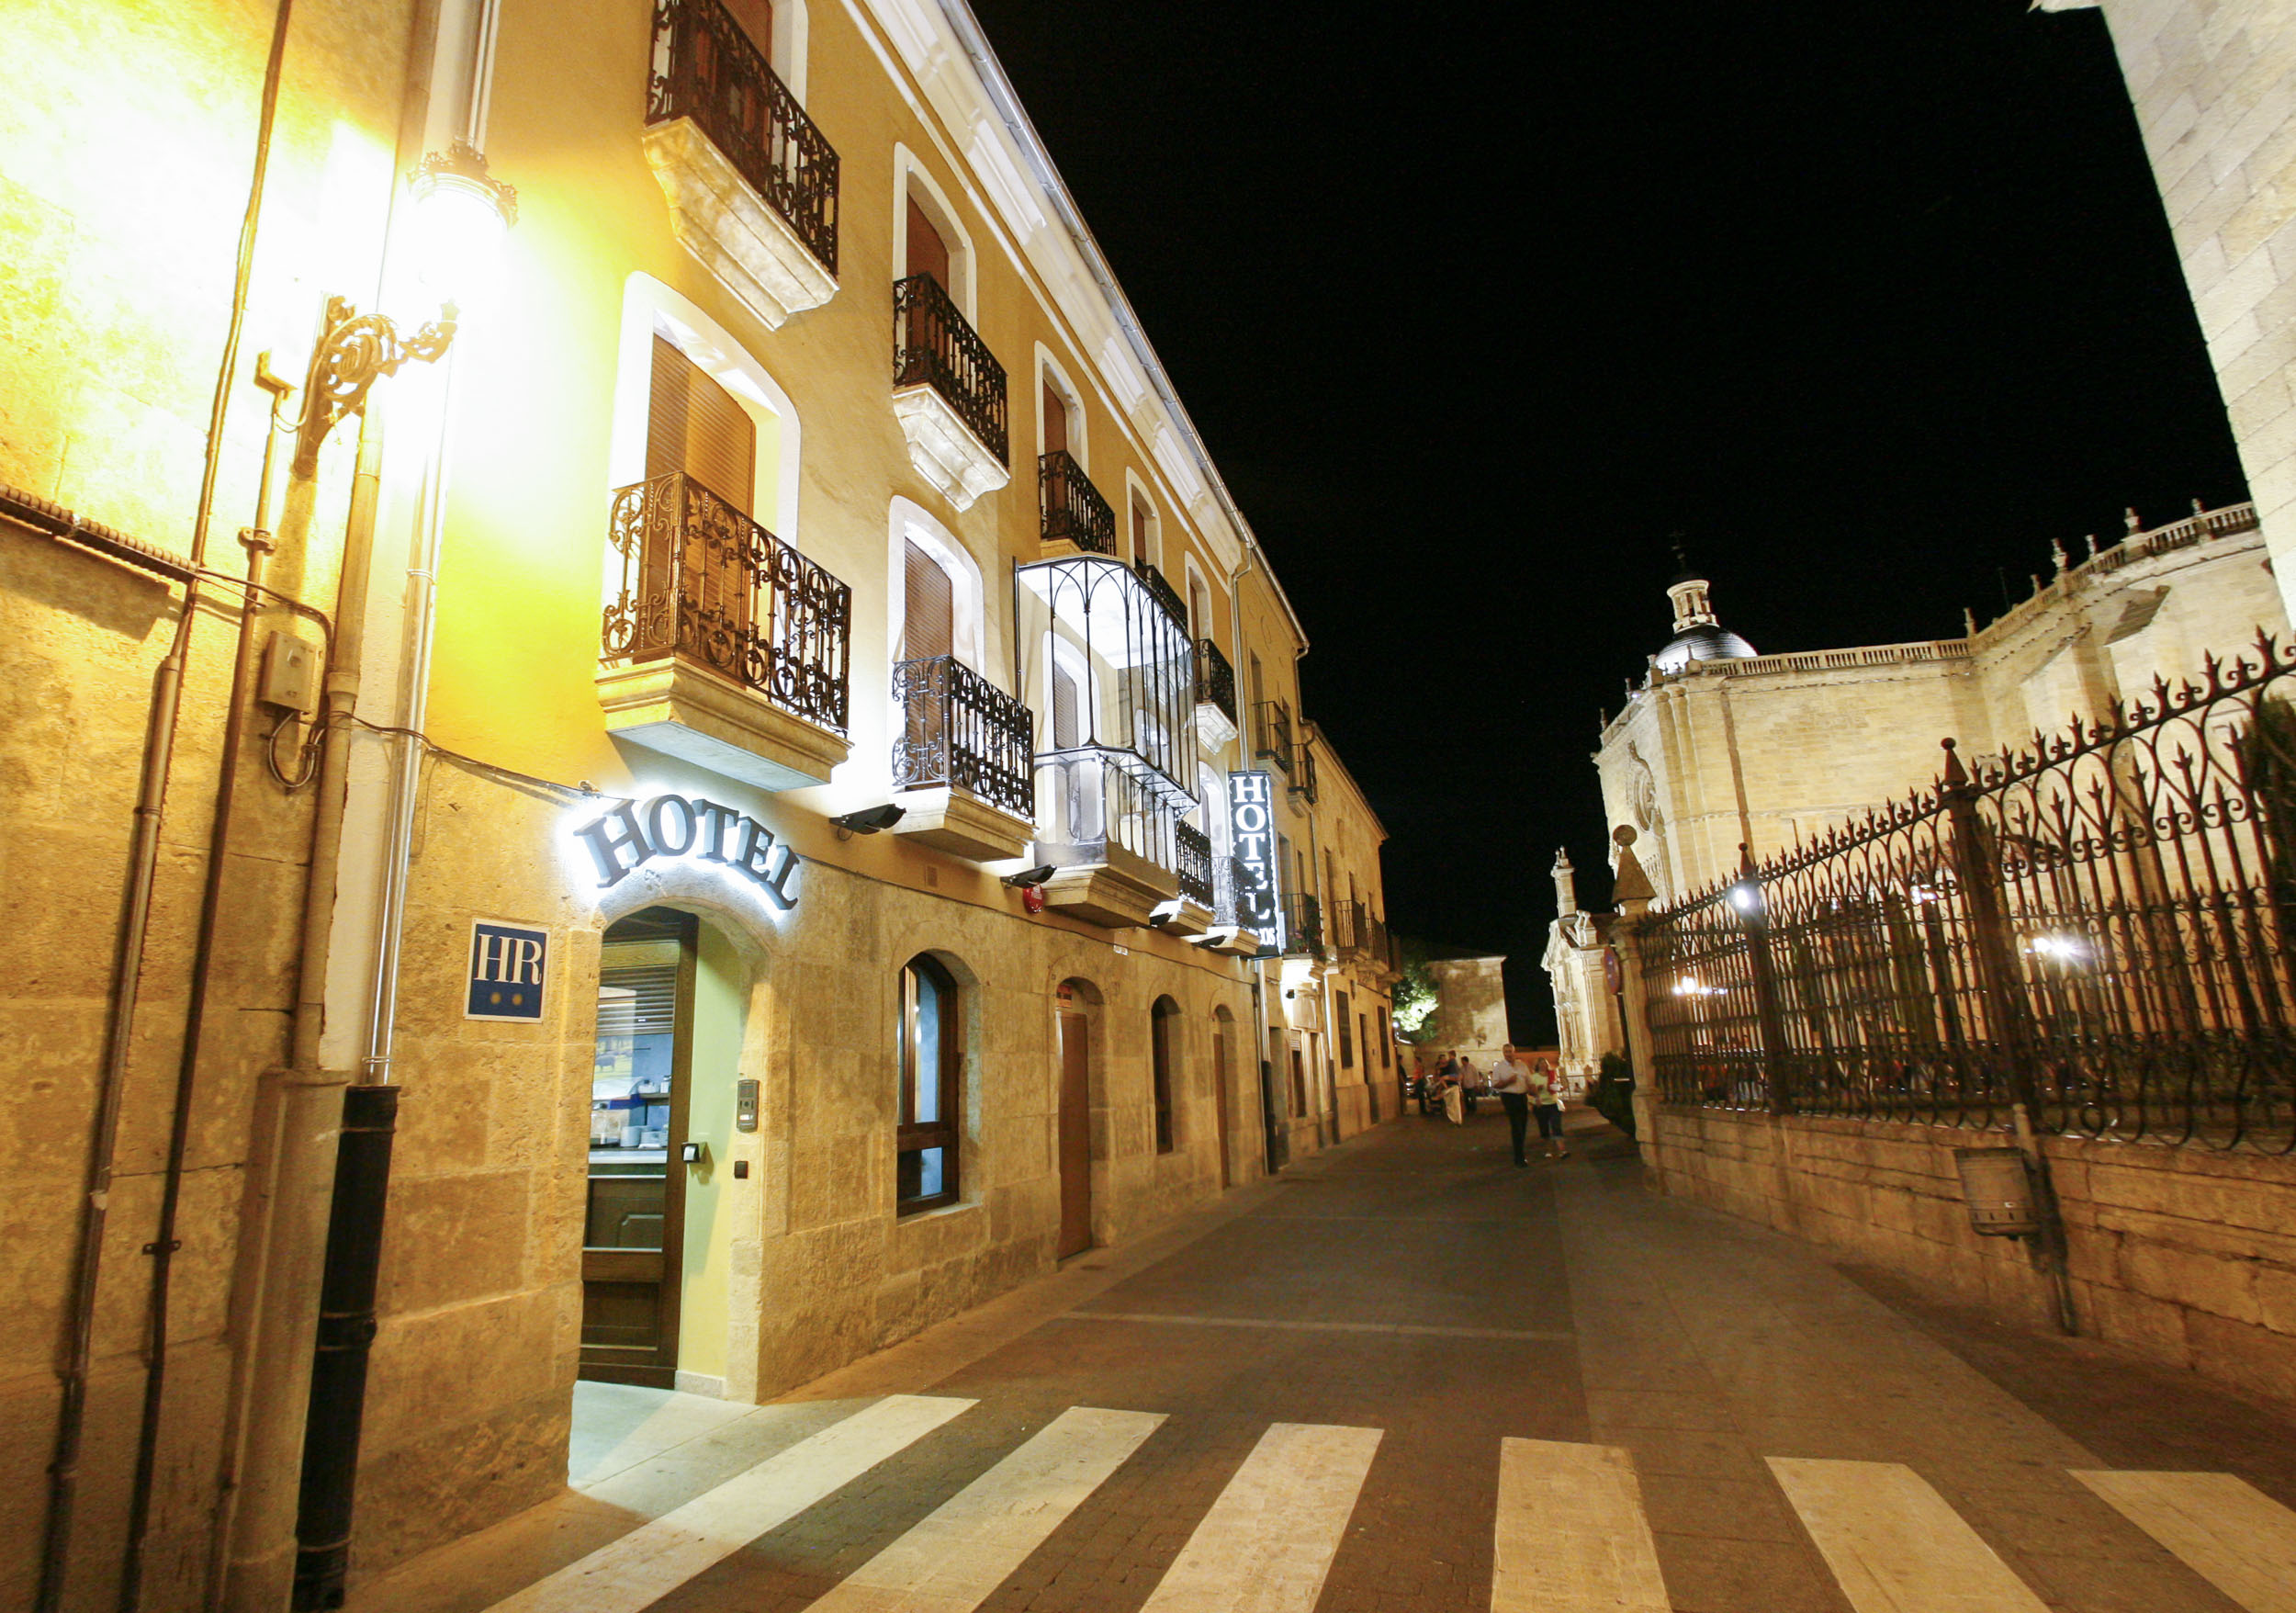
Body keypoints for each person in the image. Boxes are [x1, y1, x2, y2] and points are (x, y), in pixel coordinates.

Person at [1489, 1043, 1534, 1167]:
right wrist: (1508, 1081)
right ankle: (1519, 1157)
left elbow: (1529, 1081)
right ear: (1503, 1054)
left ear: (1514, 1052)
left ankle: (1520, 1150)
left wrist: (1536, 1094)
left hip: (1522, 1097)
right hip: (1509, 1098)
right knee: (1516, 1126)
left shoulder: (1522, 1066)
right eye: (1506, 1052)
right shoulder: (1499, 1067)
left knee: (1523, 1125)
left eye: (1510, 1051)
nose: (1508, 1054)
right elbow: (1495, 1085)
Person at [1531, 1058, 1569, 1159]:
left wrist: (1561, 1087)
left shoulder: (1552, 1075)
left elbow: (1556, 1087)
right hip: (1540, 1105)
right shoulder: (1534, 1077)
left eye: (1545, 1063)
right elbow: (1530, 1091)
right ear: (1537, 1066)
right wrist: (1536, 1091)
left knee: (1556, 1126)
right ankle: (1548, 1150)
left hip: (1553, 1103)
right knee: (1544, 1129)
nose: (1543, 1065)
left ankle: (1562, 1150)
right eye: (1541, 1064)